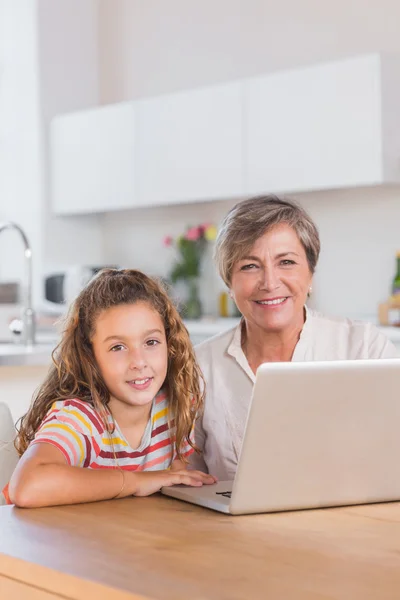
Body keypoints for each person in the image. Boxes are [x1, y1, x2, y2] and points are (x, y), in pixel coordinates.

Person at [190, 195, 399, 481]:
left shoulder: (363, 347)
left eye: (286, 262)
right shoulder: (200, 367)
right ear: (229, 282)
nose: (270, 283)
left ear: (310, 274)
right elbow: (187, 479)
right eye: (250, 266)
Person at [3, 269, 216, 507]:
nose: (139, 362)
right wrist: (136, 481)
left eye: (151, 342)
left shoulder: (174, 407)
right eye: (118, 347)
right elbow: (27, 487)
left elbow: (173, 483)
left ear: (170, 344)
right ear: (89, 356)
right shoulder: (80, 419)